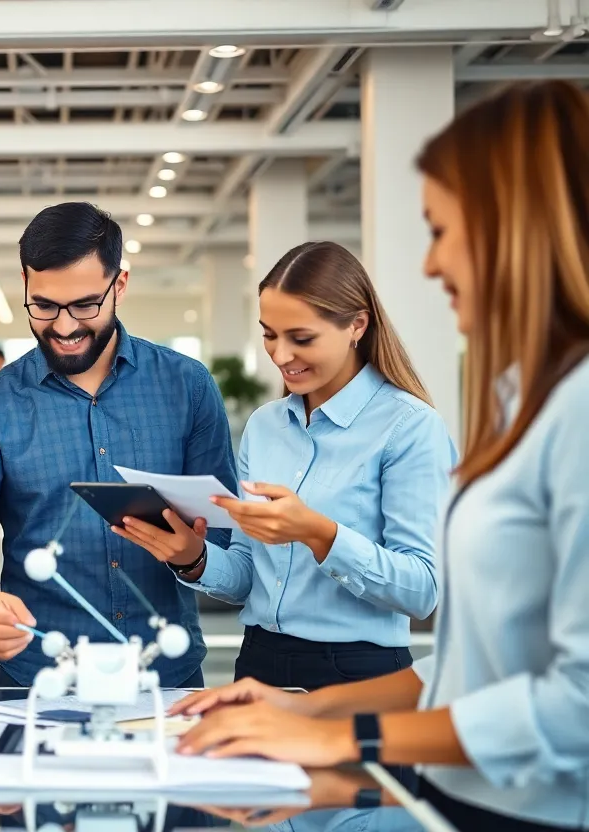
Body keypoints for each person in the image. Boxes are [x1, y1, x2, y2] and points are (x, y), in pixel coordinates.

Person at [168, 80, 589, 831]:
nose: (428, 266)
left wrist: (337, 729)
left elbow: (563, 697)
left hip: (497, 784)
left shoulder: (452, 423)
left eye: (442, 230)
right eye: (271, 336)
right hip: (341, 704)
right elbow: (471, 669)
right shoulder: (522, 403)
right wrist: (197, 564)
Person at [0, 201, 238, 692]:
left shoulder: (188, 387)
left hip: (166, 675)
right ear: (25, 287)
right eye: (44, 306)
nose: (65, 326)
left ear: (120, 285)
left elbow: (222, 536)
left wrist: (192, 555)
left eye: (86, 305)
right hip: (37, 678)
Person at [126, 240, 454, 692]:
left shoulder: (409, 428)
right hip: (260, 663)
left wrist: (318, 533)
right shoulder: (264, 427)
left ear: (357, 325)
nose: (280, 356)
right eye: (269, 334)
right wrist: (194, 558)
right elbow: (247, 577)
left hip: (358, 676)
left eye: (301, 338)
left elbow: (422, 591)